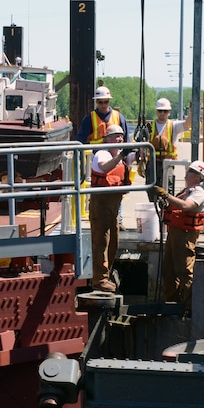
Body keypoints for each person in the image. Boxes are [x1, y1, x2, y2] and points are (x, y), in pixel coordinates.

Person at [155, 160, 204, 316]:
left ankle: (189, 306)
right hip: (175, 232)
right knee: (169, 269)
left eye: (191, 171)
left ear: (199, 177)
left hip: (185, 235)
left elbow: (186, 206)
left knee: (184, 270)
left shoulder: (198, 193)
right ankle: (172, 303)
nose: (187, 173)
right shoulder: (186, 191)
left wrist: (167, 196)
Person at [89, 124, 135, 292]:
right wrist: (122, 155)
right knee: (101, 241)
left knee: (114, 241)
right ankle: (99, 280)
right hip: (100, 204)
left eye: (121, 136)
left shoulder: (122, 158)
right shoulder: (102, 154)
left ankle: (105, 275)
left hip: (114, 206)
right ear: (107, 139)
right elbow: (104, 167)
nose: (119, 139)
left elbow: (139, 158)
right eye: (115, 136)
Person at [149, 97, 191, 188]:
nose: (162, 113)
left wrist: (192, 110)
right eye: (160, 111)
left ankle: (166, 202)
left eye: (165, 111)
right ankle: (153, 202)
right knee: (151, 186)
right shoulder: (150, 126)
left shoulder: (174, 125)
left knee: (168, 185)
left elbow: (187, 123)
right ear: (156, 111)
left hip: (168, 163)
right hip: (152, 163)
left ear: (169, 112)